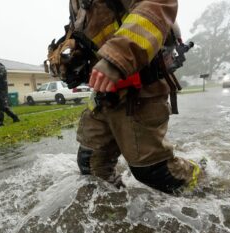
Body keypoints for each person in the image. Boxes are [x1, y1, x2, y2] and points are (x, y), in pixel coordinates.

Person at [49, 0, 204, 194]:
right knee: (90, 164)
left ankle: (201, 177)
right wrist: (74, 61)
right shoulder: (75, 4)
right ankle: (118, 208)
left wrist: (117, 58)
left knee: (152, 172)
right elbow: (93, 36)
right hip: (103, 94)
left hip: (140, 88)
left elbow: (157, 5)